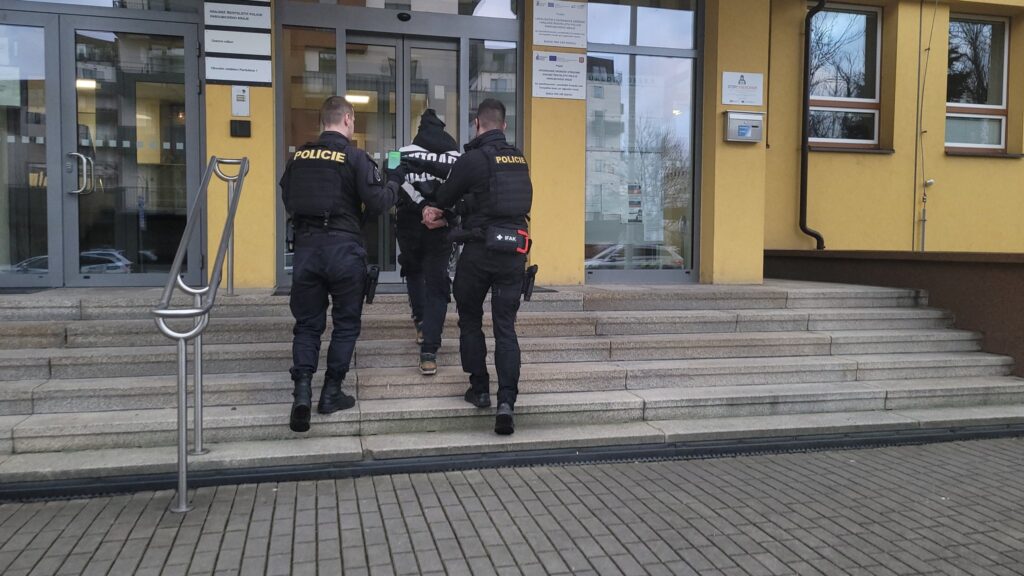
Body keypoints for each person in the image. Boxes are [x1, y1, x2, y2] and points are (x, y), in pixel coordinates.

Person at [406, 98, 533, 435]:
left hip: (479, 252)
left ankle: (479, 390)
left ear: (477, 124)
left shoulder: (472, 159)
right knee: (505, 328)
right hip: (514, 252)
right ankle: (507, 402)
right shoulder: (519, 159)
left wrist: (436, 211)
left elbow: (445, 197)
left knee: (471, 321)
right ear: (504, 125)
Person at [279, 96, 405, 433]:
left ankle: (302, 393)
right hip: (344, 251)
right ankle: (331, 392)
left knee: (307, 326)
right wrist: (394, 180)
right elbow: (379, 203)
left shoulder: (299, 157)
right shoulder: (355, 157)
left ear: (323, 121)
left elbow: (288, 198)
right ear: (348, 119)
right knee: (346, 324)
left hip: (307, 250)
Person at [395, 110, 461, 376]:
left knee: (413, 271)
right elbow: (463, 188)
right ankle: (429, 353)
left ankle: (421, 321)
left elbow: (392, 178)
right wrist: (443, 213)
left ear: (420, 130)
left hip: (410, 223)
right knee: (437, 284)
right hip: (441, 226)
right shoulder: (456, 156)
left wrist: (422, 207)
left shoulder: (401, 152)